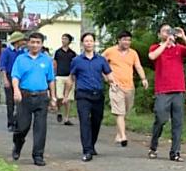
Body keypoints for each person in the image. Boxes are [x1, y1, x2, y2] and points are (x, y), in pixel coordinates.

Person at [64, 32, 118, 162]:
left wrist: (113, 83)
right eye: (86, 41)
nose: (88, 43)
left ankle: (92, 145)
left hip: (97, 94)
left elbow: (109, 74)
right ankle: (87, 150)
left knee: (96, 121)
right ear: (83, 44)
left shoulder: (101, 60)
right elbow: (71, 78)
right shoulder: (76, 60)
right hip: (83, 95)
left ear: (94, 43)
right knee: (84, 121)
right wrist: (66, 95)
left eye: (91, 41)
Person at [147, 23, 186, 161]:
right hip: (162, 90)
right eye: (165, 31)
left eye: (170, 31)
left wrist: (184, 37)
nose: (168, 33)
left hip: (178, 89)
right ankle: (153, 146)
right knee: (161, 119)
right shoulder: (156, 47)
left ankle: (175, 152)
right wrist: (166, 43)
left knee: (178, 122)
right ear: (159, 34)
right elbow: (152, 56)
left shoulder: (179, 49)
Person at [11, 32, 57, 166]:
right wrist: (16, 91)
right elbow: (15, 77)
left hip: (42, 97)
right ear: (28, 43)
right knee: (22, 127)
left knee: (40, 127)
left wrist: (53, 97)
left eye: (38, 42)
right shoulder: (21, 59)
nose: (35, 45)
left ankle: (38, 155)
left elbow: (51, 80)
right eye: (33, 42)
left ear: (42, 44)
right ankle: (18, 144)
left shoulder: (46, 60)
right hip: (25, 96)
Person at [103, 31, 148, 147]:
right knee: (120, 113)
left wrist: (143, 78)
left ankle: (119, 133)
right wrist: (107, 78)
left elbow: (138, 66)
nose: (127, 42)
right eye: (124, 39)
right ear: (118, 40)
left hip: (129, 86)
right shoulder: (110, 51)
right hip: (116, 86)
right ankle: (123, 136)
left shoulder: (133, 53)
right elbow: (99, 63)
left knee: (125, 111)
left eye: (129, 40)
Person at [0, 31, 27, 131]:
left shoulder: (22, 52)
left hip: (21, 78)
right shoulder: (7, 52)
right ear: (17, 41)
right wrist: (5, 80)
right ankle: (10, 123)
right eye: (22, 40)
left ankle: (18, 121)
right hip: (9, 76)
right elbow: (3, 67)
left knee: (21, 102)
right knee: (10, 102)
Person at [53, 33, 77, 125]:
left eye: (65, 39)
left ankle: (66, 118)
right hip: (59, 76)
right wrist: (54, 74)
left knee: (68, 98)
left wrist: (74, 76)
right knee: (60, 96)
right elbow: (54, 63)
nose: (63, 40)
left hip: (69, 77)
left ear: (69, 41)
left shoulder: (72, 53)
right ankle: (59, 111)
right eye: (62, 39)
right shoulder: (57, 52)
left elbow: (75, 65)